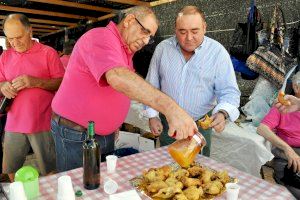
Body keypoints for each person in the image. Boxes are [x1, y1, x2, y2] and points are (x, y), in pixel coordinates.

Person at [51, 6, 198, 172]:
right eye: (144, 31)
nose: (145, 40)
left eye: (149, 37)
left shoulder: (124, 50)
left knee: (101, 184)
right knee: (78, 189)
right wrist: (171, 109)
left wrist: (113, 124)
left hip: (101, 133)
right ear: (129, 21)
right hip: (77, 134)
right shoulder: (101, 36)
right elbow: (117, 77)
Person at [145, 6, 240, 156]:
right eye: (182, 32)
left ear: (204, 28)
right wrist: (152, 115)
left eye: (195, 31)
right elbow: (151, 86)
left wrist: (222, 113)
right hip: (168, 123)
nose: (188, 38)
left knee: (199, 173)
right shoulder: (162, 49)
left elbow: (229, 91)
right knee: (166, 169)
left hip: (201, 125)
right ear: (175, 29)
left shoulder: (217, 53)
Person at [0, 14, 65, 181]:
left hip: (43, 121)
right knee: (10, 167)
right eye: (10, 39)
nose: (15, 43)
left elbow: (61, 83)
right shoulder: (5, 56)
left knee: (50, 169)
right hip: (14, 121)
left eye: (19, 37)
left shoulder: (48, 53)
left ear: (30, 31)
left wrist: (35, 82)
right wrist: (3, 86)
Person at [257, 72, 300, 198]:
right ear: (296, 87)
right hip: (288, 160)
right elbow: (262, 128)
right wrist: (287, 148)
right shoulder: (282, 106)